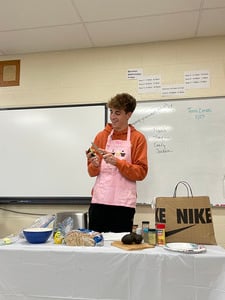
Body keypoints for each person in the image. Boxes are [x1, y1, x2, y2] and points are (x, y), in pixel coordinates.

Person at [86, 93, 148, 233]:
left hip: (123, 205)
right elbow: (91, 172)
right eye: (111, 112)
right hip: (99, 202)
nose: (112, 117)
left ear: (129, 114)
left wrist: (118, 163)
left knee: (119, 248)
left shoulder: (138, 138)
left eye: (117, 113)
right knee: (96, 246)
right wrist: (95, 165)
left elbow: (141, 172)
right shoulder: (101, 136)